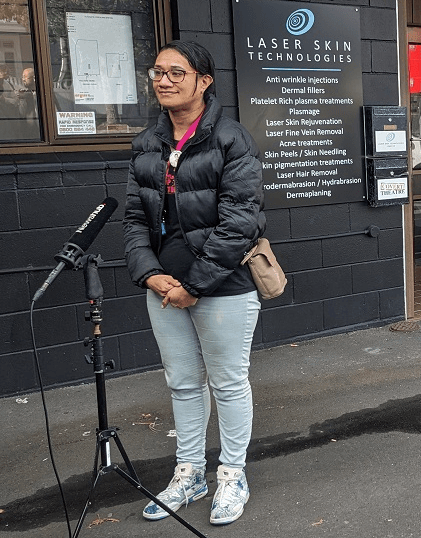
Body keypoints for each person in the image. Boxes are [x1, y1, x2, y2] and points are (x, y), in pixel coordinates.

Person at [123, 41, 265, 526]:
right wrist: (151, 274)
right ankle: (190, 473)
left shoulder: (230, 140)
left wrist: (195, 285)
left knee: (227, 383)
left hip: (223, 287)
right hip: (163, 288)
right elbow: (133, 220)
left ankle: (232, 474)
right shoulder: (147, 143)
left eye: (176, 72)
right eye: (158, 72)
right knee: (182, 384)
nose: (163, 80)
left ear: (203, 81)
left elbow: (240, 224)